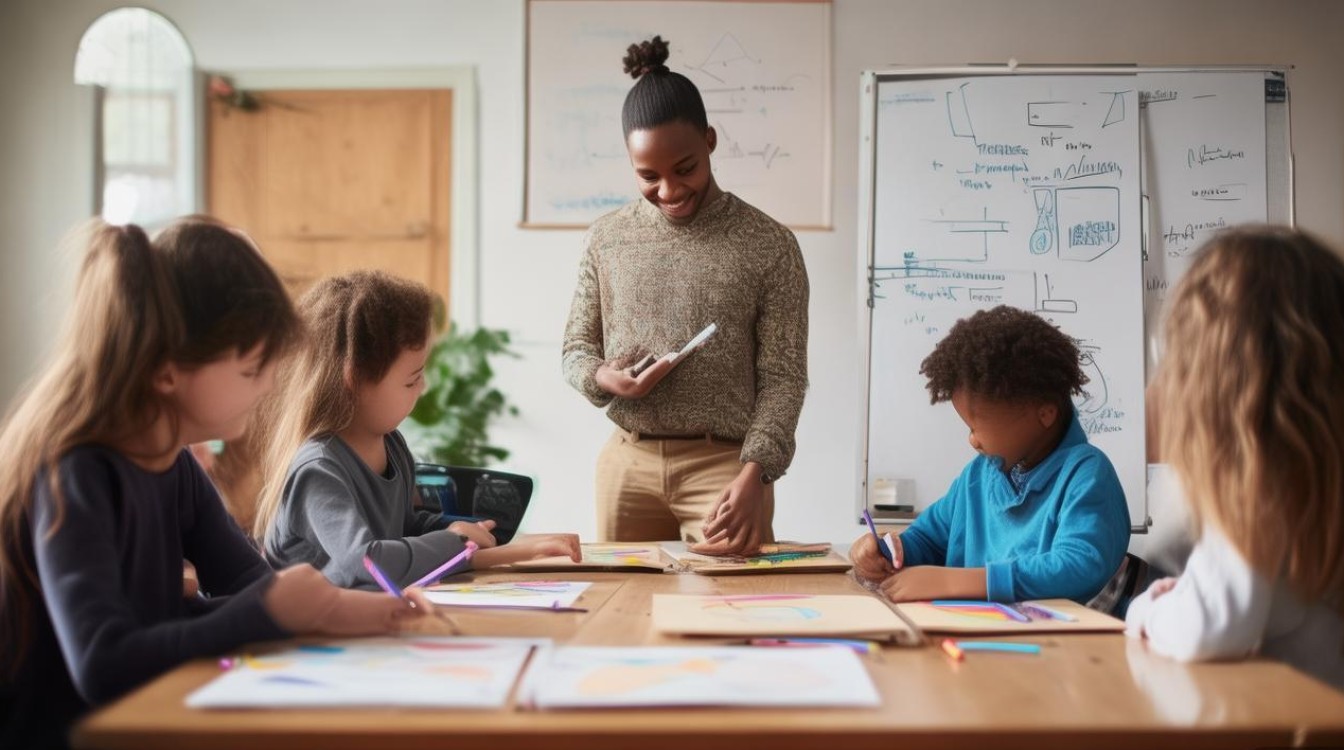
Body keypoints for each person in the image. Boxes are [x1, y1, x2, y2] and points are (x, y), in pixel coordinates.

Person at [0, 218, 427, 749]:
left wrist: (356, 610)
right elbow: (103, 661)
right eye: (252, 369)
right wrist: (272, 610)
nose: (272, 384)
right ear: (166, 371)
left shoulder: (172, 463)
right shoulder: (74, 471)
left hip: (146, 720)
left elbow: (248, 582)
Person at [561, 35, 809, 556]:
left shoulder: (769, 245)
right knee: (622, 614)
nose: (670, 191)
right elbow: (576, 350)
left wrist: (756, 474)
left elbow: (784, 378)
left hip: (726, 468)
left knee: (729, 612)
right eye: (648, 177)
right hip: (626, 463)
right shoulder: (606, 238)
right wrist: (606, 379)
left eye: (686, 168)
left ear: (711, 141)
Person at [256, 271, 580, 589]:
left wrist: (457, 529)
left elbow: (403, 529)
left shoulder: (391, 445)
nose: (422, 388)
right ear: (353, 379)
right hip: (302, 636)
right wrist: (453, 541)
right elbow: (366, 562)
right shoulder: (318, 469)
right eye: (411, 380)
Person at [1125, 227, 1344, 692]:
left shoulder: (1256, 487)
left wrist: (1147, 610)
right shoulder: (1321, 473)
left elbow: (1212, 627)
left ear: (1207, 386)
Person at [849, 305, 1130, 603]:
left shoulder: (1086, 474)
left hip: (1052, 641)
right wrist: (887, 551)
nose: (973, 441)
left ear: (1045, 413)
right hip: (970, 634)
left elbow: (1078, 566)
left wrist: (961, 582)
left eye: (976, 426)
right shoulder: (978, 476)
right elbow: (928, 539)